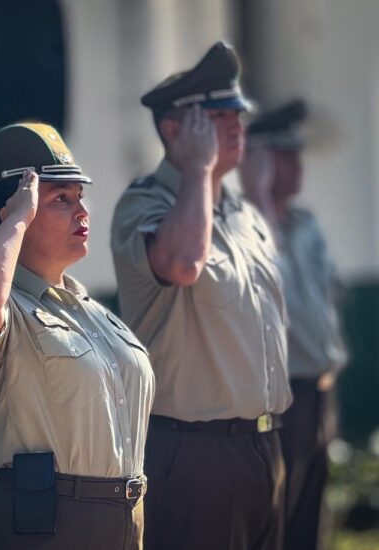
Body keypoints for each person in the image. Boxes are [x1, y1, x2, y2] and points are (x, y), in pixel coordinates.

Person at [110, 42, 292, 550]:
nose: (238, 125)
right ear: (174, 130)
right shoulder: (145, 203)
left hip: (264, 445)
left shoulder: (241, 213)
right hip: (195, 456)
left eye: (239, 113)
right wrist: (197, 170)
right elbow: (184, 264)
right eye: (220, 115)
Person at [0, 122, 155, 550]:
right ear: (13, 214)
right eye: (61, 199)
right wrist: (20, 216)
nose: (82, 212)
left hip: (122, 517)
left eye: (80, 197)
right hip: (43, 523)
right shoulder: (10, 309)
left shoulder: (95, 314)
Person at [242, 99, 348, 550]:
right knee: (278, 518)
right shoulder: (246, 225)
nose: (298, 166)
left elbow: (328, 295)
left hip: (320, 392)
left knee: (311, 517)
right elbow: (266, 287)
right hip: (283, 397)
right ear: (261, 162)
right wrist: (260, 196)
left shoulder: (306, 223)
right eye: (285, 156)